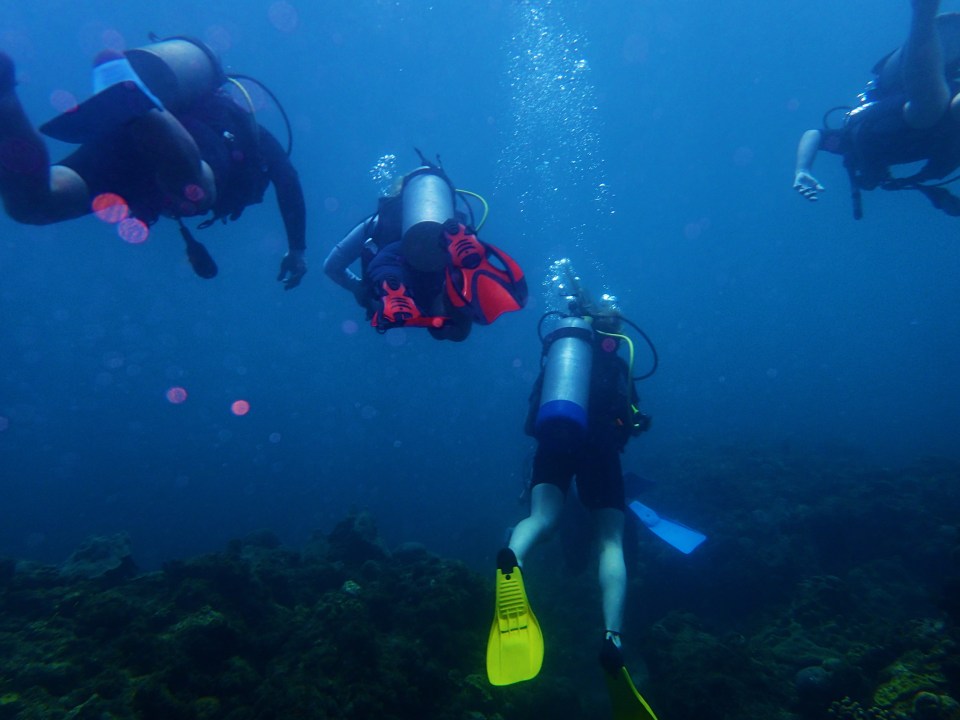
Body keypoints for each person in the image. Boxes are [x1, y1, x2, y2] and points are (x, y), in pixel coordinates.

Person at [485, 261, 659, 719]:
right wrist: (636, 421)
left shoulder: (559, 355)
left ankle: (513, 561)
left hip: (555, 436)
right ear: (614, 327)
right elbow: (631, 418)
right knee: (608, 540)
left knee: (541, 518)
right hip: (600, 445)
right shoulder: (619, 359)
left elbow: (531, 417)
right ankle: (612, 637)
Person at [0, 37, 307, 287]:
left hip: (126, 149)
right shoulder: (236, 121)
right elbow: (287, 178)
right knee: (196, 191)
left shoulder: (227, 118)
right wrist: (297, 249)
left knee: (34, 204)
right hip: (167, 148)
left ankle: (6, 100)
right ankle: (139, 107)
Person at [323, 156, 527, 342]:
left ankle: (392, 288)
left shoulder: (378, 222)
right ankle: (456, 296)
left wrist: (360, 290)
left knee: (387, 271)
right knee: (453, 323)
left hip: (391, 293)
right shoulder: (448, 223)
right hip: (437, 287)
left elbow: (332, 266)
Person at [794, 0, 960, 218]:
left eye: (864, 178)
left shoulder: (851, 144)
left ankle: (923, 12)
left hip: (896, 95)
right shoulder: (913, 175)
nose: (869, 180)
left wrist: (802, 169)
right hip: (941, 100)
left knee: (927, 110)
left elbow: (814, 133)